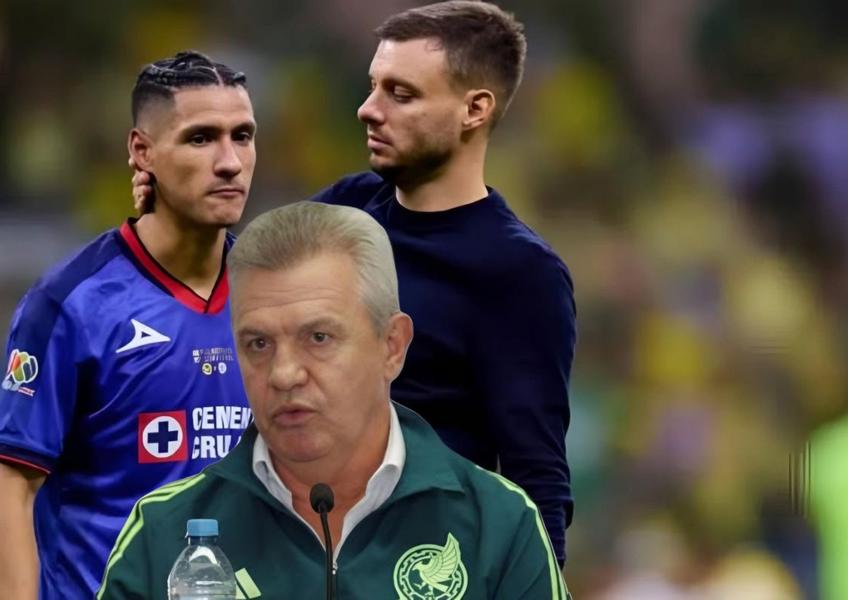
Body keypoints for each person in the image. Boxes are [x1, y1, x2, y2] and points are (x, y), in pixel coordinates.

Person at [130, 0, 576, 564]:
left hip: (417, 562)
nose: (369, 109)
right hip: (287, 546)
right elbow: (230, 290)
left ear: (475, 110)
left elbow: (537, 475)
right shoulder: (348, 207)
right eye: (373, 87)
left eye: (401, 94)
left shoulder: (518, 273)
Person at [99, 202, 568, 599]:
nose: (284, 374)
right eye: (258, 344)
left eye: (318, 337)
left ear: (392, 346)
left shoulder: (498, 526)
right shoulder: (163, 533)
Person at [0, 51, 258, 599]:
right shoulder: (71, 304)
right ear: (142, 151)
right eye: (201, 138)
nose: (229, 161)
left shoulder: (276, 296)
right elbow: (10, 489)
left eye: (243, 136)